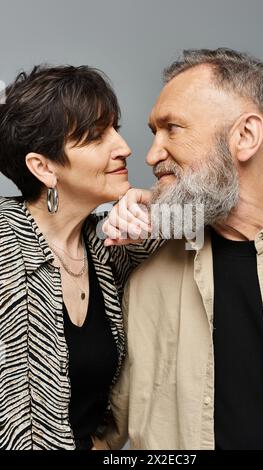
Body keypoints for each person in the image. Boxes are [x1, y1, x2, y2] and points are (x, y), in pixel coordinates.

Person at [102, 48, 263, 450]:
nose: (152, 154)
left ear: (245, 137)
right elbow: (98, 433)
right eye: (154, 132)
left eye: (172, 129)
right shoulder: (146, 276)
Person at [0, 65, 160, 450]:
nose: (124, 147)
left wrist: (150, 201)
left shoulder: (109, 246)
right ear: (43, 167)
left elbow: (208, 211)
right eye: (95, 137)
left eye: (115, 128)